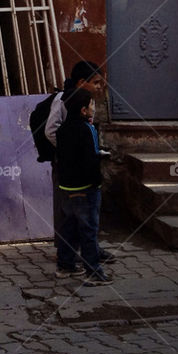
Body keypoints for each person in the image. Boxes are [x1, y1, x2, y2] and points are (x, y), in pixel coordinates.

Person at [45, 60, 115, 270]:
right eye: (95, 83)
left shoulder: (85, 101)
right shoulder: (63, 100)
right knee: (70, 215)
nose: (99, 87)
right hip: (68, 168)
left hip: (80, 167)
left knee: (82, 217)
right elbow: (51, 131)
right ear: (82, 82)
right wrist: (70, 151)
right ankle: (69, 255)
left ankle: (87, 249)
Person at [55, 87, 112, 285]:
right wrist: (97, 182)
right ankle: (93, 272)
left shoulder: (61, 130)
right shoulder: (88, 129)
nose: (94, 108)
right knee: (88, 230)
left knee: (69, 227)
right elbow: (91, 159)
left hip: (66, 188)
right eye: (92, 104)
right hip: (86, 188)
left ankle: (65, 265)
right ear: (83, 110)